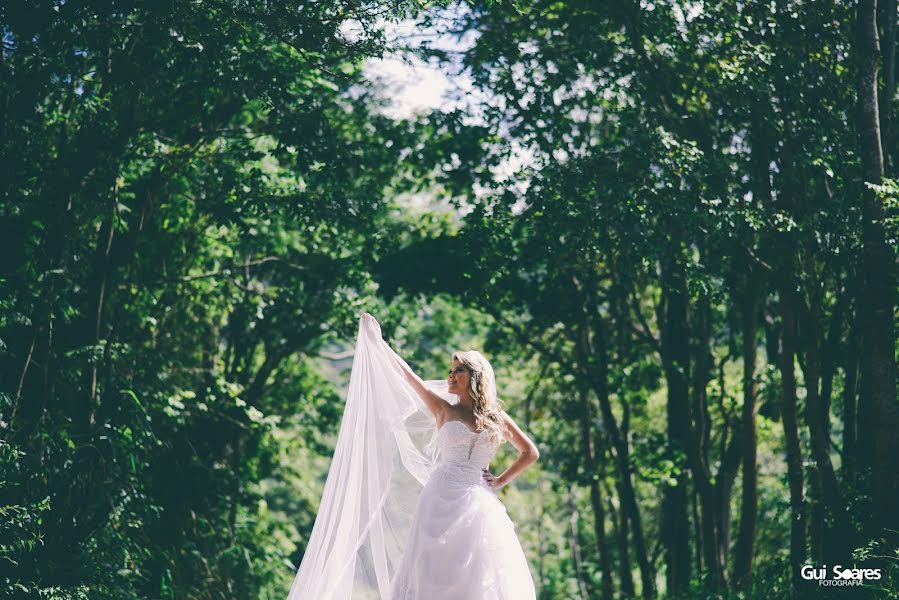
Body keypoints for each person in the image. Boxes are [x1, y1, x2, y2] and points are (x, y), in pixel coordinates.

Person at [287, 313, 539, 599]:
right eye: (451, 370)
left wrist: (500, 481)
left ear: (475, 376)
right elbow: (410, 377)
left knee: (477, 568)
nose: (451, 376)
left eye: (458, 370)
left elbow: (530, 451)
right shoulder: (445, 408)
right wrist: (379, 343)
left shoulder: (496, 417)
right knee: (430, 565)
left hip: (477, 498)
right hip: (440, 495)